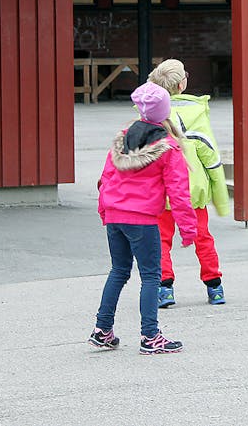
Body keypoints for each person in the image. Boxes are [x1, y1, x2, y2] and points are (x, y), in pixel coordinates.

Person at [90, 83, 197, 355]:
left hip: (114, 215)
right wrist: (188, 228)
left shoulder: (122, 138)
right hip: (143, 219)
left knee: (118, 271)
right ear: (165, 112)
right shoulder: (168, 148)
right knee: (151, 276)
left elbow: (106, 179)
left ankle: (102, 330)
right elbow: (179, 191)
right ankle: (150, 336)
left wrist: (105, 211)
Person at [147, 59, 230, 308]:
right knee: (202, 236)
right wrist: (221, 200)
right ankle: (214, 286)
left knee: (161, 240)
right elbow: (211, 157)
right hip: (192, 190)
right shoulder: (197, 114)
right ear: (183, 83)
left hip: (160, 192)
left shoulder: (148, 113)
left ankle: (164, 288)